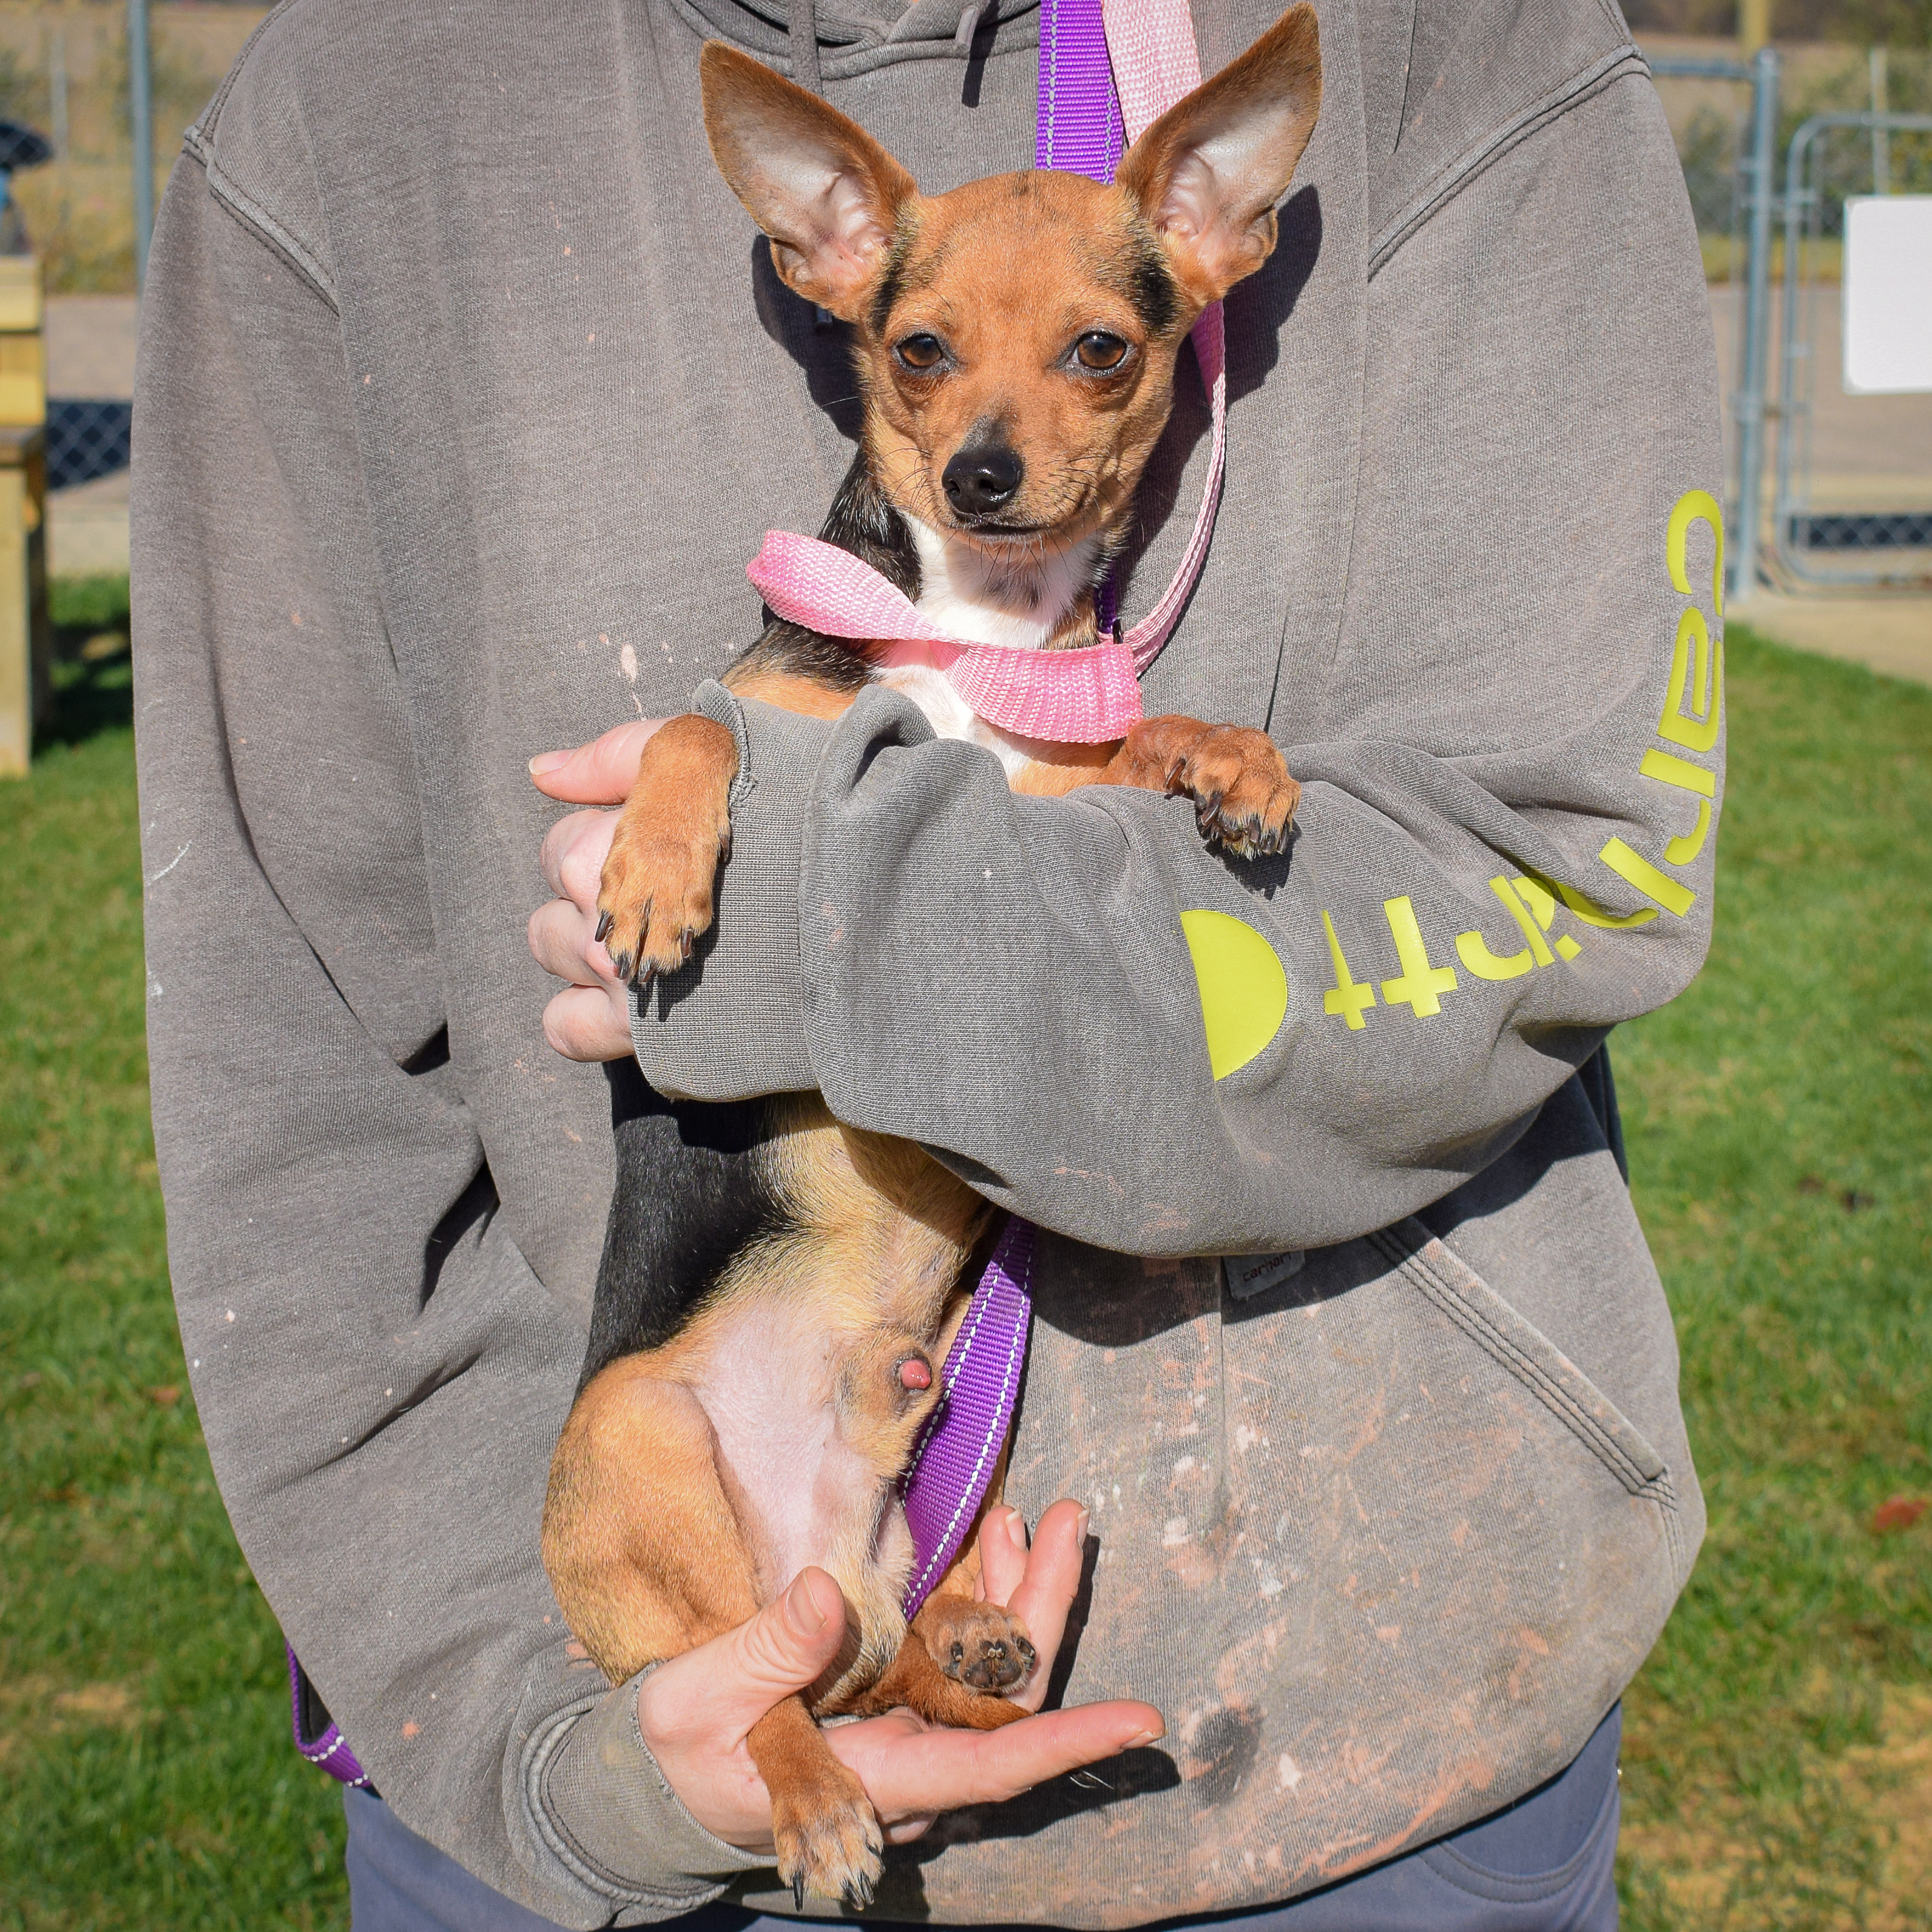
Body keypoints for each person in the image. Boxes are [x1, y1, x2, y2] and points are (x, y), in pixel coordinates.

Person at [131, 0, 1723, 1925]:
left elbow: (1539, 853)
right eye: (930, 362)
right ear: (828, 276)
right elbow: (298, 1072)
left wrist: (961, 867)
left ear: (1212, 247)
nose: (999, 438)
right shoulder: (345, 113)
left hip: (1395, 1773)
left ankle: (880, 1652)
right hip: (602, 1726)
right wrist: (522, 1734)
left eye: (1091, 361)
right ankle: (815, 1698)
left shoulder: (1471, 51)